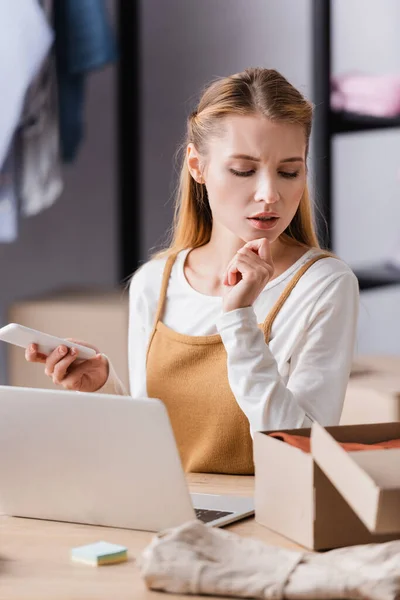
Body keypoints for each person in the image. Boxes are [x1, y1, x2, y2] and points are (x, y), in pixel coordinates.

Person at [26, 67, 359, 475]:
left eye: (290, 171)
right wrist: (104, 388)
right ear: (197, 166)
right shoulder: (155, 281)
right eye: (244, 170)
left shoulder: (324, 285)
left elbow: (305, 454)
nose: (270, 194)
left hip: (269, 516)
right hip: (167, 509)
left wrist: (238, 321)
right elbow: (154, 447)